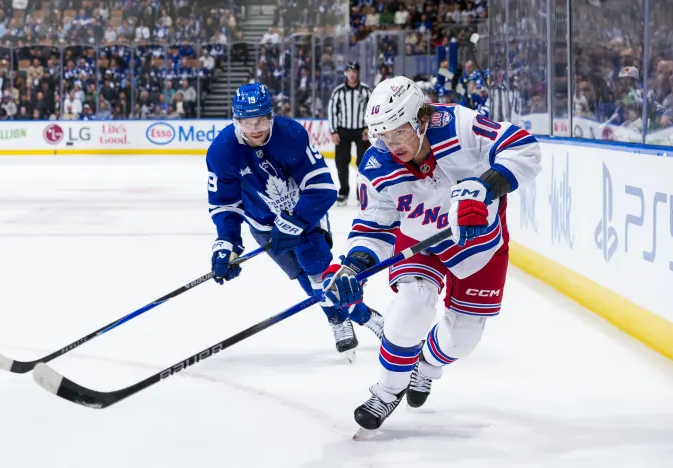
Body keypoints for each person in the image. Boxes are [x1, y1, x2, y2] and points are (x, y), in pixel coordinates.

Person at [322, 76, 542, 430]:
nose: (391, 145)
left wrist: (484, 187)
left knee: (464, 339)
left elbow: (524, 148)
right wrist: (353, 267)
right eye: (383, 135)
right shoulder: (377, 164)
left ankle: (425, 364)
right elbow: (374, 225)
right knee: (411, 307)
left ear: (421, 120)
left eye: (398, 133)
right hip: (418, 241)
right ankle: (387, 390)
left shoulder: (460, 125)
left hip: (477, 241)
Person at [207, 83, 384, 359]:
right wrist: (227, 242)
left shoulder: (290, 135)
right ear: (235, 119)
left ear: (272, 116)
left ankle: (351, 318)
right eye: (248, 121)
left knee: (317, 270)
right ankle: (350, 315)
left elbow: (322, 188)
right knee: (304, 278)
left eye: (262, 120)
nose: (256, 128)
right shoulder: (222, 152)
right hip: (263, 224)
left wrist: (295, 221)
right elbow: (225, 204)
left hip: (305, 215)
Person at [327, 62, 372, 206]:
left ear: (358, 72)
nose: (351, 74)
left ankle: (362, 193)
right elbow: (332, 111)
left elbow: (372, 110)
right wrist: (334, 131)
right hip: (343, 131)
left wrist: (369, 128)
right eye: (349, 71)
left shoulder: (366, 91)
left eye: (354, 71)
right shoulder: (338, 91)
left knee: (364, 163)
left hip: (362, 131)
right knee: (341, 163)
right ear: (346, 73)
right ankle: (343, 192)